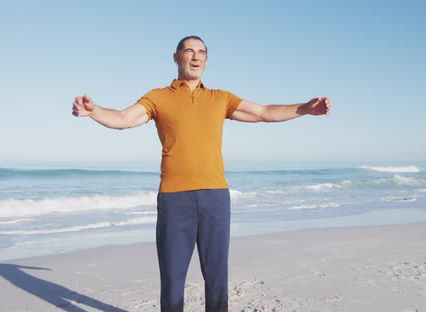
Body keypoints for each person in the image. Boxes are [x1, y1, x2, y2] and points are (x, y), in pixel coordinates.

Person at [72, 35, 330, 312]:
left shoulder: (220, 98)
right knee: (172, 278)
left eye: (202, 53)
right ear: (176, 57)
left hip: (216, 197)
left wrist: (303, 109)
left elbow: (263, 112)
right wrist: (96, 111)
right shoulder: (158, 97)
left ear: (206, 60)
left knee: (217, 277)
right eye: (189, 51)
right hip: (174, 199)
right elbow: (124, 119)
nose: (196, 57)